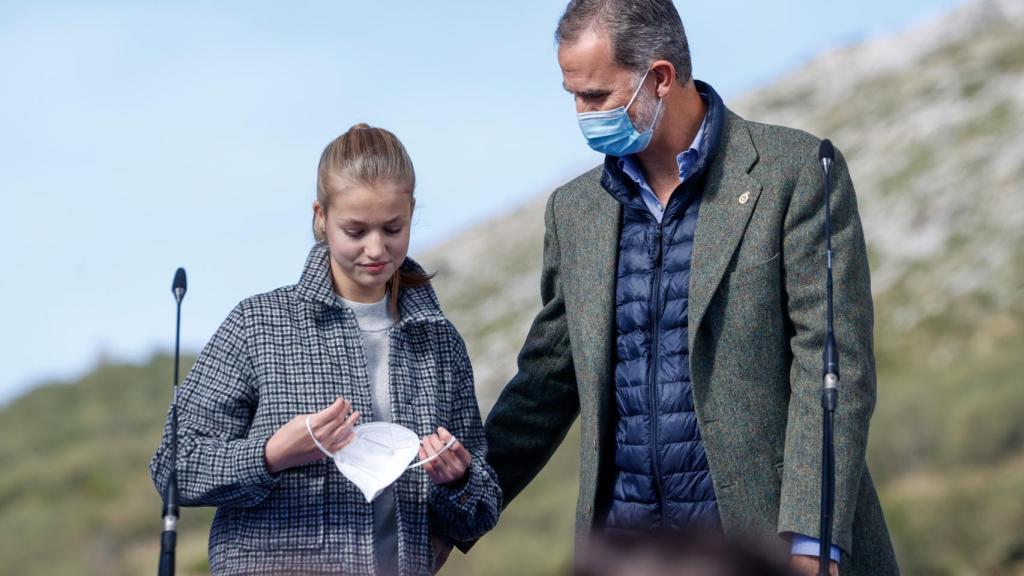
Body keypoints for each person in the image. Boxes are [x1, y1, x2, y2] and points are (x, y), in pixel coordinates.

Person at [478, 2, 899, 575]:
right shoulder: (574, 212)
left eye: (596, 96)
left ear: (660, 77)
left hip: (758, 553)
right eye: (572, 95)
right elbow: (545, 385)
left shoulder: (795, 172)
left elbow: (832, 364)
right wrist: (461, 505)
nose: (581, 113)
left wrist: (812, 541)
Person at [150, 124, 501, 576]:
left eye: (393, 228)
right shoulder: (258, 325)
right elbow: (173, 467)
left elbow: (480, 510)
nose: (376, 248)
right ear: (321, 216)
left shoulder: (439, 343)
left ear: (411, 212)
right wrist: (272, 454)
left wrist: (460, 481)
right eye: (355, 230)